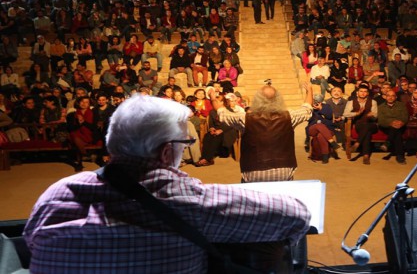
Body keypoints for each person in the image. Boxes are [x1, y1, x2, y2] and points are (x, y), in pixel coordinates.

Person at [23, 94, 311, 273]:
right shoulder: (188, 199)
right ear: (165, 151)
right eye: (185, 144)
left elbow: (31, 242)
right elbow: (296, 215)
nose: (186, 149)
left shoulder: (56, 192)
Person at [221, 83, 313, 182]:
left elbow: (222, 114)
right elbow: (307, 109)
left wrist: (214, 98)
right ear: (278, 99)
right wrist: (309, 91)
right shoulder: (289, 117)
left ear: (257, 100)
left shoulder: (245, 118)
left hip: (253, 172)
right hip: (284, 170)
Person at [343, 84, 378, 165]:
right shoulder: (351, 102)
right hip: (359, 125)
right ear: (357, 93)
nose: (363, 93)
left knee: (367, 127)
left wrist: (371, 115)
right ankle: (366, 156)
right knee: (367, 133)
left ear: (368, 93)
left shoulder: (373, 102)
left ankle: (357, 144)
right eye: (361, 91)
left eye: (365, 91)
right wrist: (357, 113)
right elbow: (345, 114)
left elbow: (375, 116)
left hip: (372, 124)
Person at [377, 90, 409, 164]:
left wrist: (401, 122)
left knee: (396, 131)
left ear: (396, 97)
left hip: (400, 126)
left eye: (392, 96)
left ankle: (387, 143)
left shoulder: (401, 105)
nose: (390, 98)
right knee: (396, 132)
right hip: (386, 127)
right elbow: (381, 121)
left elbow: (405, 117)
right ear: (385, 97)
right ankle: (400, 156)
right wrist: (390, 123)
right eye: (388, 96)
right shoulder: (381, 107)